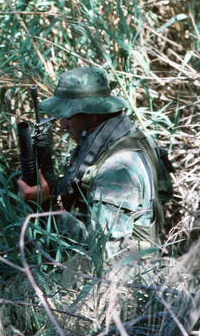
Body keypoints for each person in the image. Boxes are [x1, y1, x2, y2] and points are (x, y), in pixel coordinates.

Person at [18, 66, 164, 262]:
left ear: (94, 114)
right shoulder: (134, 138)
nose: (62, 125)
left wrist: (47, 205)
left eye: (69, 116)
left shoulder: (117, 169)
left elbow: (104, 254)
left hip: (127, 282)